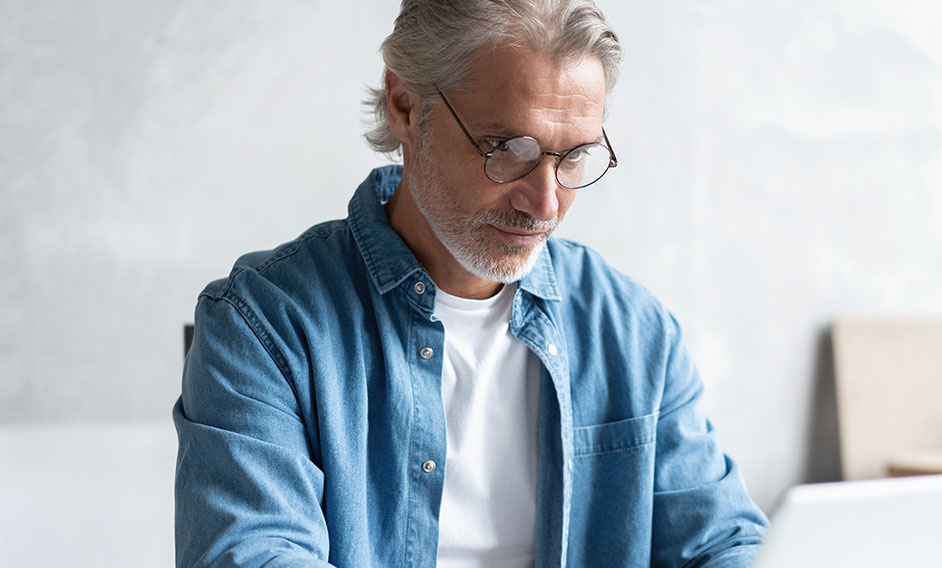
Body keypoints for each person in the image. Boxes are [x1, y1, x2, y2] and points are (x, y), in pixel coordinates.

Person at [173, 1, 768, 566]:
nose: (545, 204)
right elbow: (254, 552)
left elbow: (722, 539)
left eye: (574, 157)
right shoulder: (262, 326)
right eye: (507, 149)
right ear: (405, 105)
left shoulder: (635, 333)